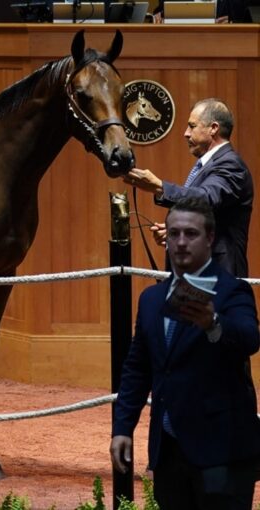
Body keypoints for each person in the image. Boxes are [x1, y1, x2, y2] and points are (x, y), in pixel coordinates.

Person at [110, 197, 260, 509]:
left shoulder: (232, 291)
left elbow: (249, 340)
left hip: (222, 455)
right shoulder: (150, 299)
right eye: (174, 233)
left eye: (190, 234)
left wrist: (214, 323)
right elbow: (137, 369)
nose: (180, 242)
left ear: (209, 239)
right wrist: (122, 428)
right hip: (168, 455)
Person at [123, 97, 253, 277]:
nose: (185, 133)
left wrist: (160, 187)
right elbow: (210, 217)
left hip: (218, 278)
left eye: (192, 126)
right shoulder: (208, 165)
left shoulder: (231, 165)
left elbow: (206, 199)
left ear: (213, 128)